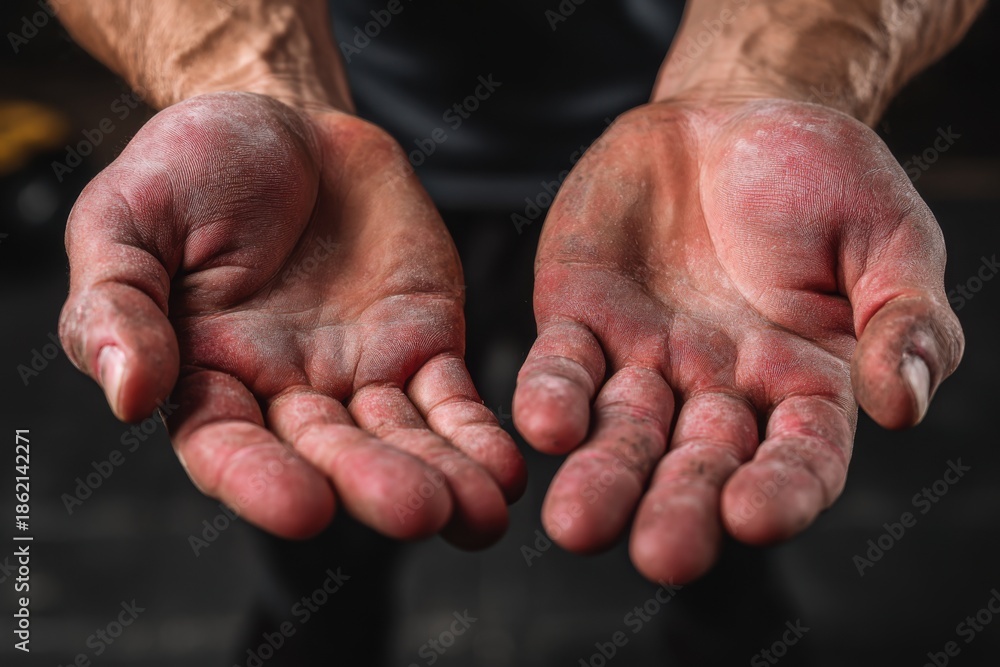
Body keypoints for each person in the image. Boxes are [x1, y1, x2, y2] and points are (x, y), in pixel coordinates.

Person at [52, 0, 978, 592]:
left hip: (701, 211)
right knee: (322, 532)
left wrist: (765, 83)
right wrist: (252, 83)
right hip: (325, 203)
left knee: (719, 495)